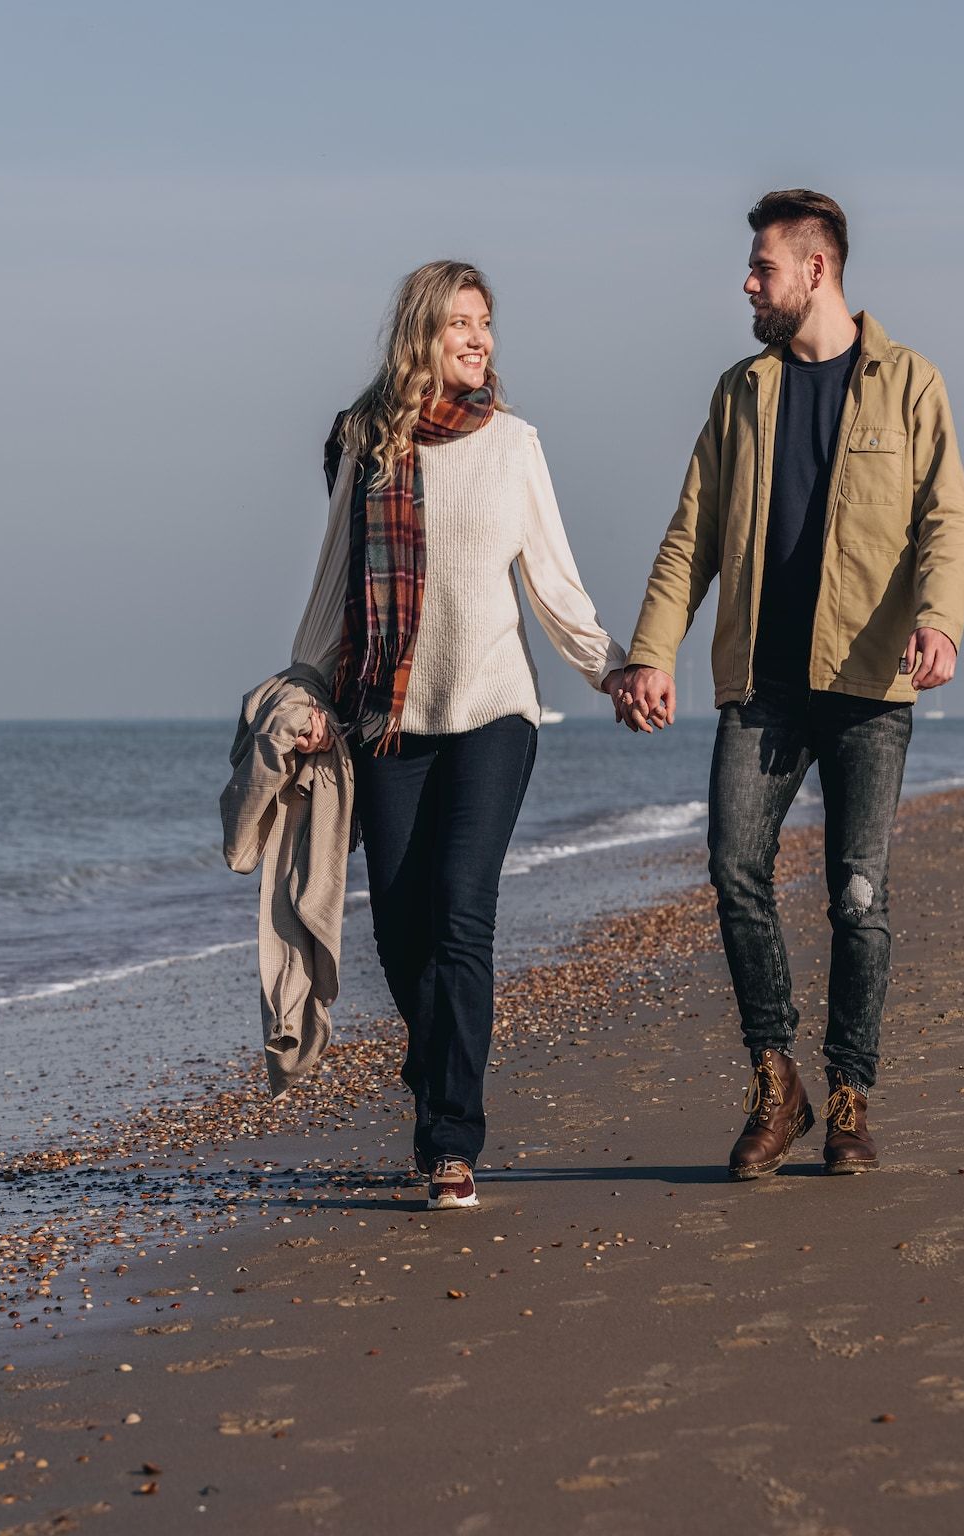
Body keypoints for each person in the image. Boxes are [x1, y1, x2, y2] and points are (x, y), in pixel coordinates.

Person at [615, 190, 964, 1179]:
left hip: (866, 685)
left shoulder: (909, 383)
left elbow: (945, 518)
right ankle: (777, 1084)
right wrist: (651, 652)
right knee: (735, 869)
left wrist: (937, 619)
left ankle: (850, 1094)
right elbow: (690, 534)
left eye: (761, 267)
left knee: (856, 898)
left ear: (814, 269)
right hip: (760, 684)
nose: (746, 282)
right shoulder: (739, 393)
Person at [290, 260, 629, 1210]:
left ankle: (450, 1137)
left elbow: (554, 585)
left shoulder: (513, 444)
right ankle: (436, 1058)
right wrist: (308, 688)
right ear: (421, 340)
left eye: (486, 324)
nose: (479, 341)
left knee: (459, 913)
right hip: (389, 719)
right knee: (401, 934)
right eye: (459, 326)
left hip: (493, 712)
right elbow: (333, 588)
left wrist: (613, 669)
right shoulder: (366, 446)